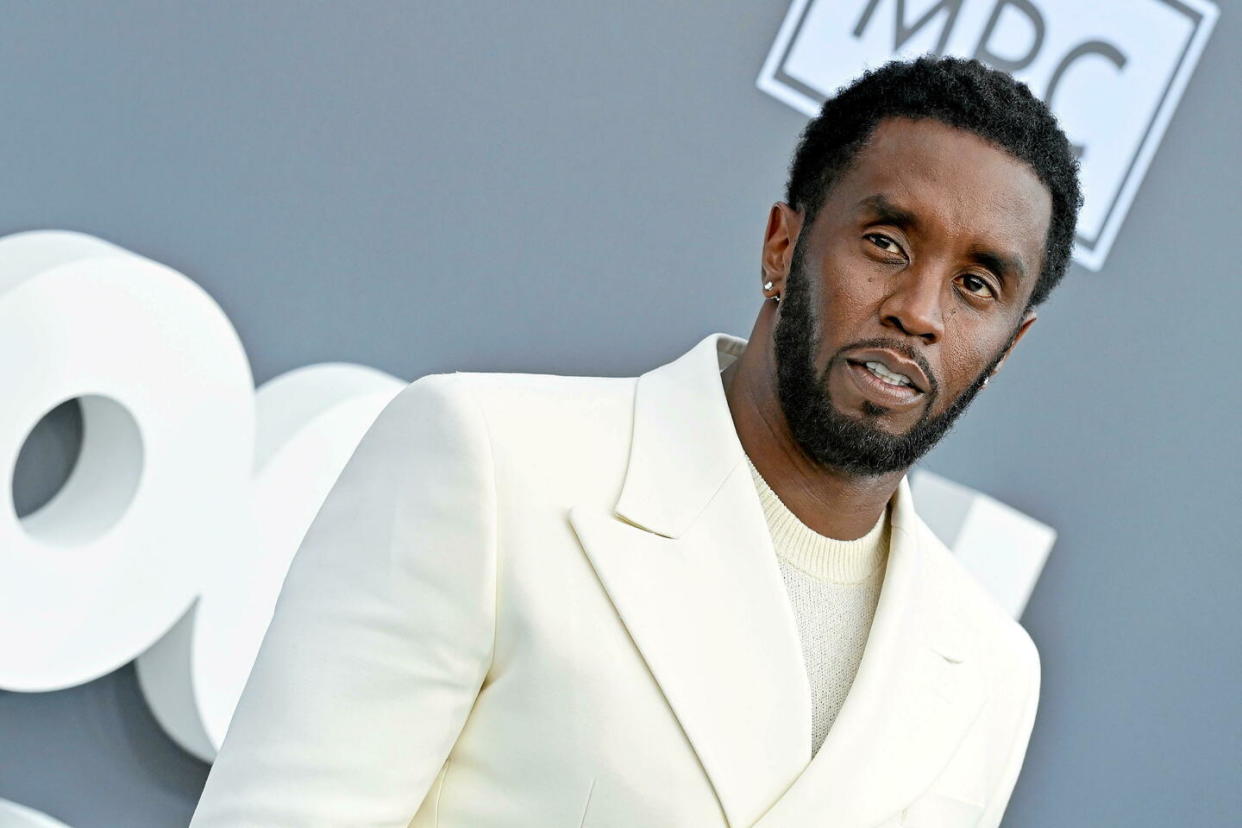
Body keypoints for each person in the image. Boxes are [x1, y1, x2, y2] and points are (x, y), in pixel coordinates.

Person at [189, 55, 1082, 827]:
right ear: (783, 244)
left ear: (1010, 346)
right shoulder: (492, 463)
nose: (918, 312)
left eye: (975, 285)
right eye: (886, 242)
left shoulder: (989, 674)